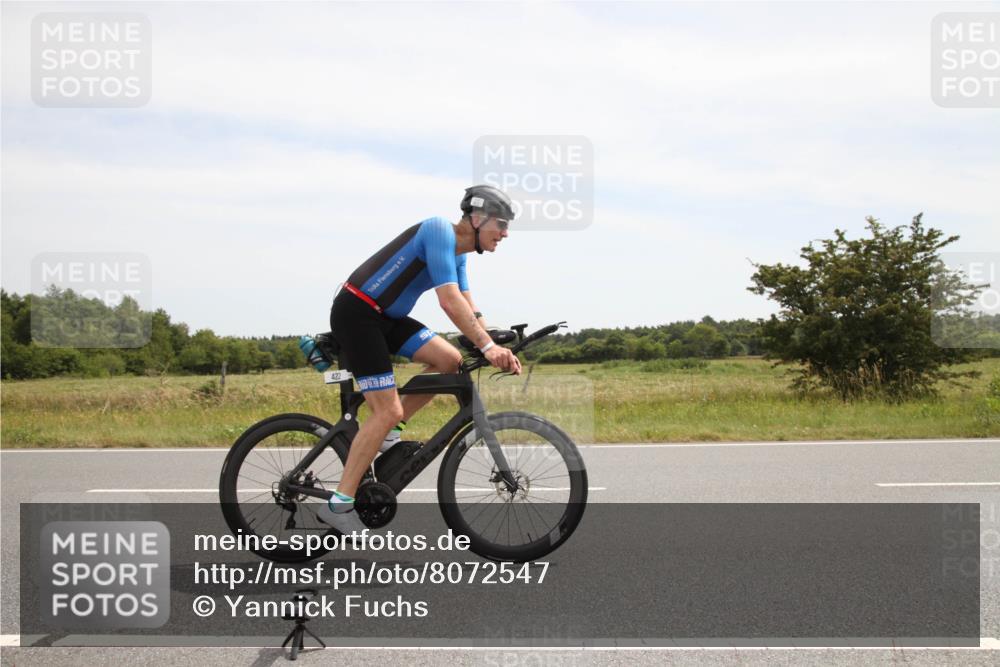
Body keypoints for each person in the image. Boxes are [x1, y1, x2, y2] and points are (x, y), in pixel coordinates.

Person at [317, 184, 522, 533]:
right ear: (476, 218)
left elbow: (468, 304)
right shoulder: (438, 230)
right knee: (387, 409)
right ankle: (340, 505)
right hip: (358, 314)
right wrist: (488, 347)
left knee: (449, 361)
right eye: (500, 224)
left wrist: (493, 339)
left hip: (386, 318)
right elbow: (448, 301)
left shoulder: (458, 254)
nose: (504, 233)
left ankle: (385, 435)